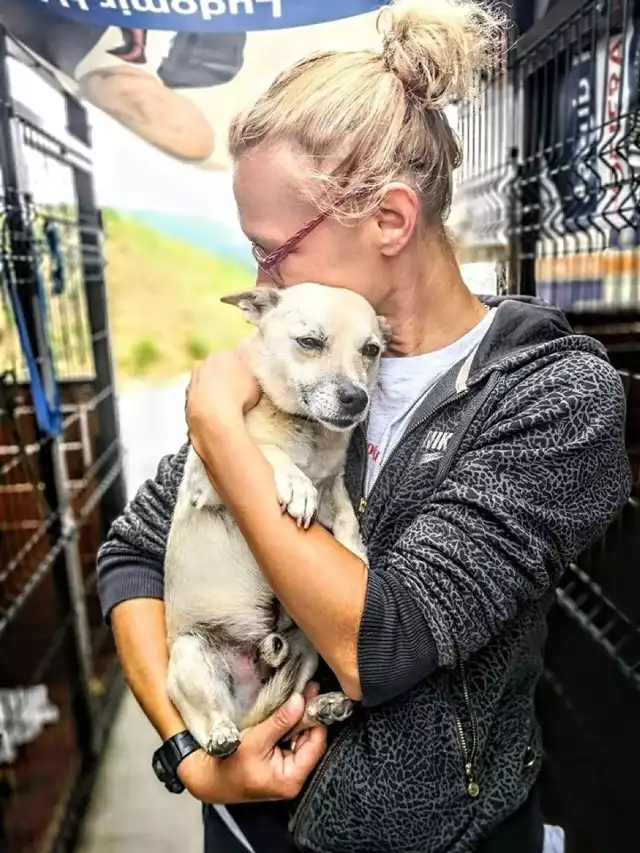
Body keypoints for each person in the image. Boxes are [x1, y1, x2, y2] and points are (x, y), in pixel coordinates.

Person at [97, 1, 631, 852]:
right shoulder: (286, 360)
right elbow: (131, 555)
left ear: (389, 219)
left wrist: (222, 433)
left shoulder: (551, 398)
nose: (260, 275)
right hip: (243, 832)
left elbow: (377, 646)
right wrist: (190, 753)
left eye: (273, 248)